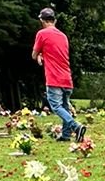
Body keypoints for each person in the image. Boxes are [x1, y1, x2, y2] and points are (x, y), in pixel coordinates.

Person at [31, 9, 80, 141]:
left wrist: (40, 55)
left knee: (56, 106)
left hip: (54, 78)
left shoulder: (42, 33)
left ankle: (76, 126)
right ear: (55, 21)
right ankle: (65, 135)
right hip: (67, 78)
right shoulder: (63, 36)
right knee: (65, 106)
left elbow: (34, 55)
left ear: (42, 20)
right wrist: (44, 54)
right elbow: (56, 53)